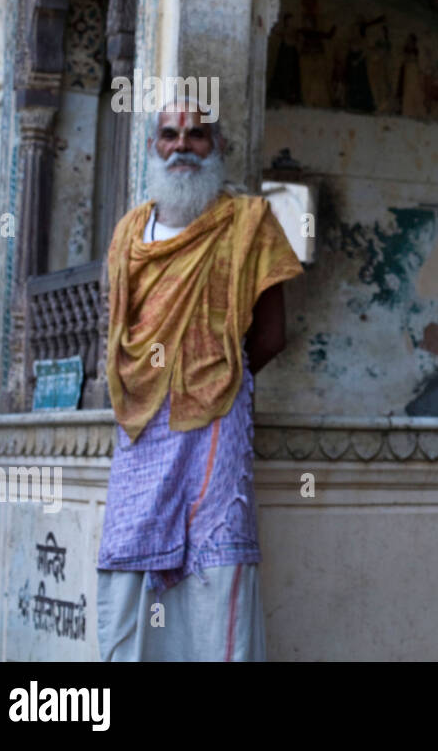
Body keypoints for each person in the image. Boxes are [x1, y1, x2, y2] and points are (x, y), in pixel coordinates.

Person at [95, 91, 303, 661]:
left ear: (218, 148)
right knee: (130, 553)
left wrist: (217, 378)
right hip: (140, 422)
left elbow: (271, 334)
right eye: (170, 134)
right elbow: (117, 330)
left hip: (216, 416)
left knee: (217, 559)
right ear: (152, 147)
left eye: (196, 135)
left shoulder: (248, 224)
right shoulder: (128, 234)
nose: (182, 146)